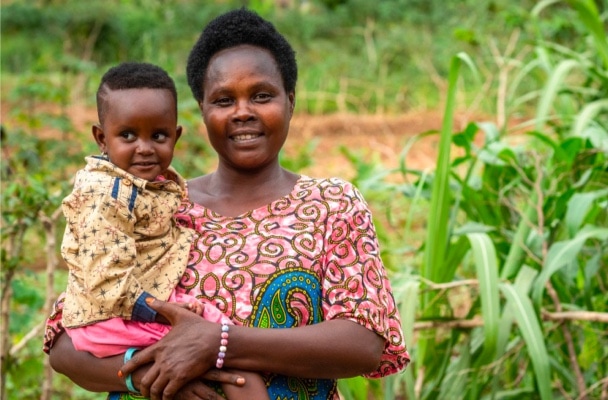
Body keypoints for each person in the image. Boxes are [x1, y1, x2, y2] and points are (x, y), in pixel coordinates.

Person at [45, 8, 410, 400]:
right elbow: (66, 341)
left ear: (290, 101)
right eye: (223, 100)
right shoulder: (158, 206)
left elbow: (363, 343)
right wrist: (159, 376)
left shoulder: (331, 204)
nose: (243, 112)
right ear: (202, 110)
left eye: (262, 96)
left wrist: (218, 342)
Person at [56, 61, 269, 400]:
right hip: (118, 315)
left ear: (176, 136)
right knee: (237, 367)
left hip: (132, 309)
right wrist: (166, 310)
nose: (144, 148)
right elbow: (106, 279)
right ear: (101, 137)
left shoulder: (154, 189)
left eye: (158, 136)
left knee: (223, 354)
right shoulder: (107, 196)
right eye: (128, 135)